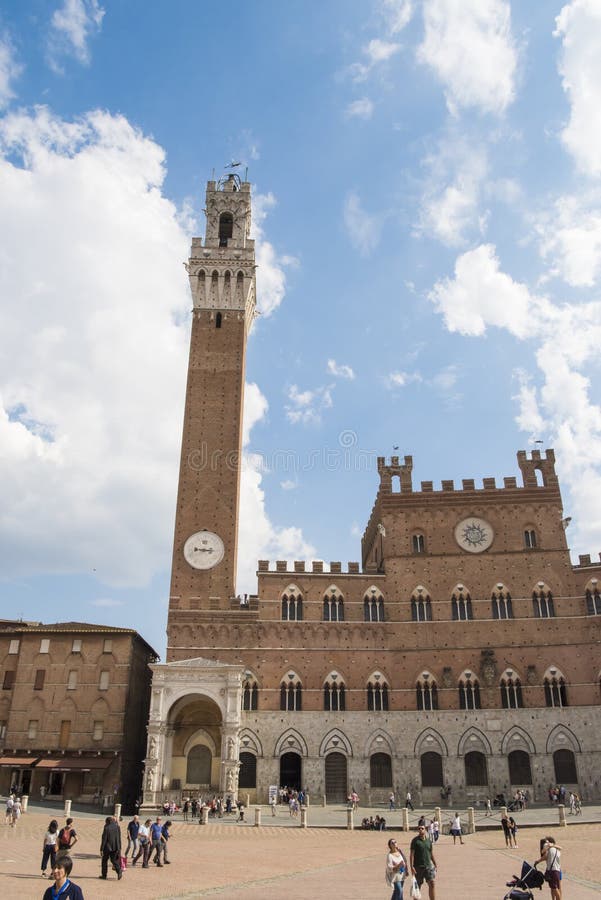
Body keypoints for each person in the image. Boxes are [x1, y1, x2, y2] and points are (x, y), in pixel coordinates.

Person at [410, 822, 437, 900]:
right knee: (417, 886)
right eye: (419, 829)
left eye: (422, 828)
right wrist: (411, 867)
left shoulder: (429, 841)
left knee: (432, 883)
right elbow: (411, 854)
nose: (420, 830)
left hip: (428, 866)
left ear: (425, 829)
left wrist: (435, 863)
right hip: (418, 867)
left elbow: (431, 853)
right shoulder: (415, 841)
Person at [535, 836, 562, 900]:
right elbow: (561, 848)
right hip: (558, 870)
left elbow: (544, 854)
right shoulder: (556, 849)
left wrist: (537, 861)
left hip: (552, 871)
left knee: (555, 889)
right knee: (556, 887)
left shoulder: (547, 845)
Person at [99, 815, 122, 880]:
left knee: (104, 861)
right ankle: (119, 871)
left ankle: (104, 875)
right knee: (114, 860)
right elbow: (119, 837)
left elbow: (104, 839)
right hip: (116, 846)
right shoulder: (117, 827)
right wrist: (119, 847)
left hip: (107, 847)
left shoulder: (106, 828)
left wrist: (101, 849)